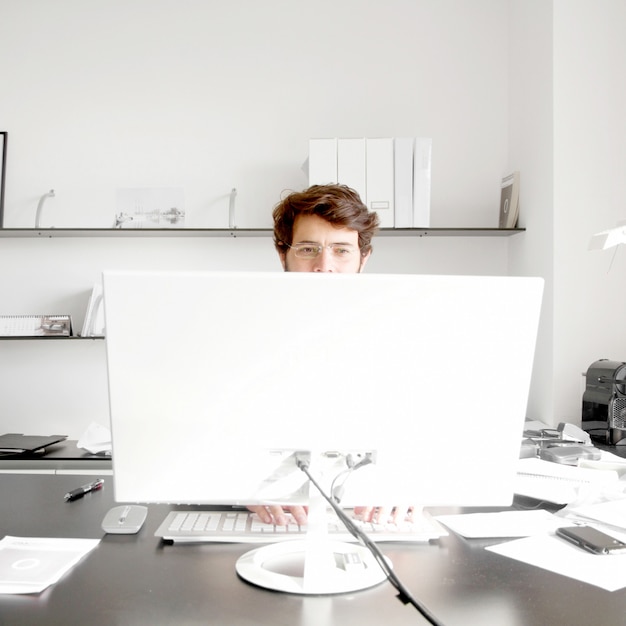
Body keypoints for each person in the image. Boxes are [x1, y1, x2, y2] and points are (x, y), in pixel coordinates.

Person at [250, 184, 409, 527]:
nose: (325, 266)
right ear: (283, 254)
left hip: (371, 519)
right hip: (275, 518)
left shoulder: (399, 334)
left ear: (363, 258)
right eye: (308, 249)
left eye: (341, 250)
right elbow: (205, 443)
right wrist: (240, 491)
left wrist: (411, 484)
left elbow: (434, 440)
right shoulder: (247, 333)